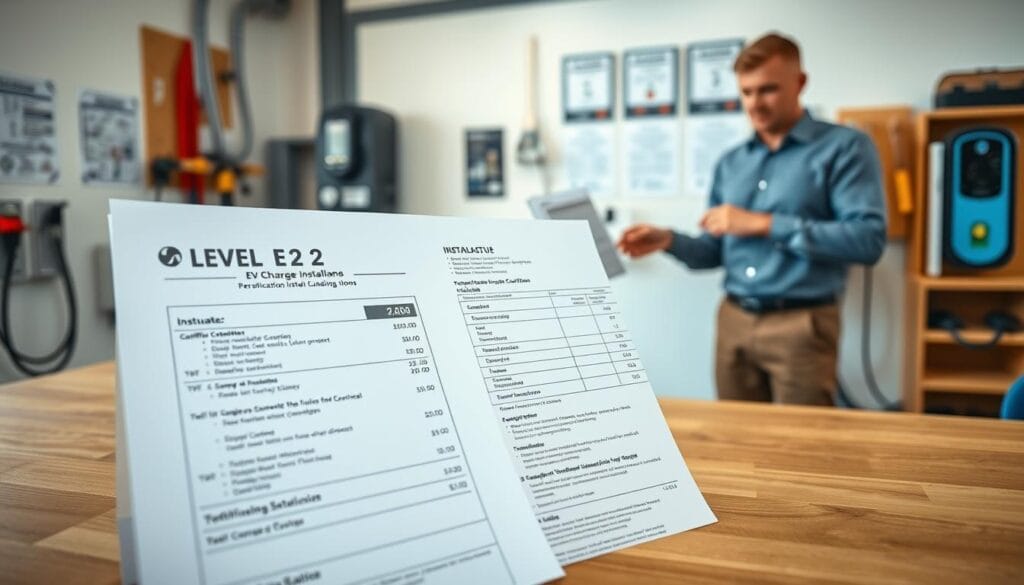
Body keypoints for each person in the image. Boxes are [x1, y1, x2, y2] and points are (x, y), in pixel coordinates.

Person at [617, 32, 886, 406]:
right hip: (734, 321)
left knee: (801, 449)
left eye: (768, 90)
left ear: (800, 83)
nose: (755, 104)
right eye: (746, 92)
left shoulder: (845, 148)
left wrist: (763, 223)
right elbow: (714, 251)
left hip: (803, 325)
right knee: (735, 444)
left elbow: (867, 241)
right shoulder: (731, 162)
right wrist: (669, 240)